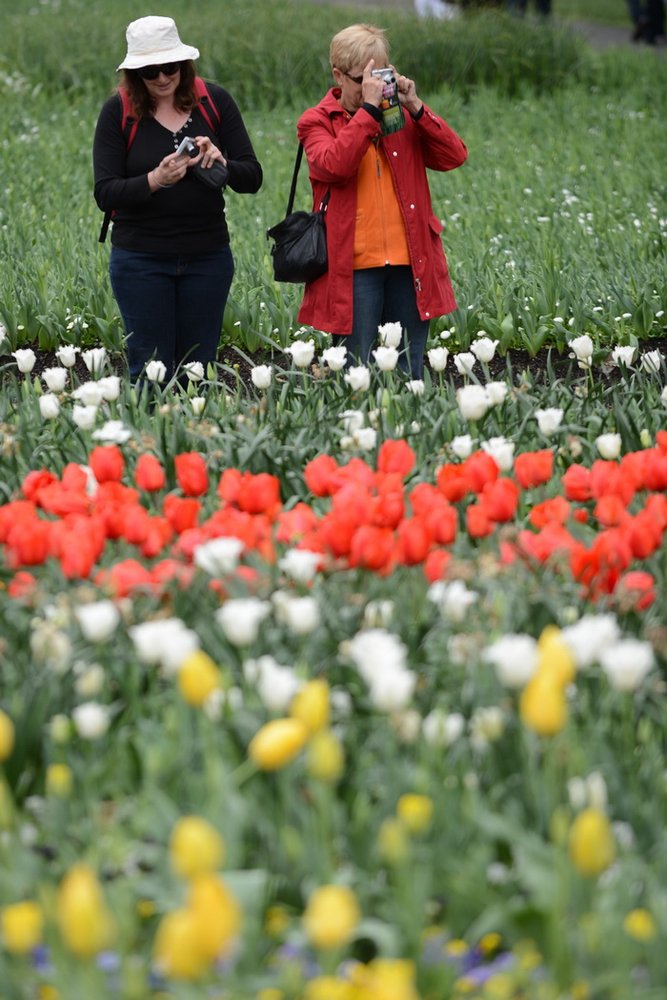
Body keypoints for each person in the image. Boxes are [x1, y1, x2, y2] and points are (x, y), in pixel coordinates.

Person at [93, 15, 262, 383]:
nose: (162, 78)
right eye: (150, 71)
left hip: (207, 258)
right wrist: (155, 179)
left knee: (198, 372)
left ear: (184, 64)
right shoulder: (118, 112)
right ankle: (150, 440)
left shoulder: (213, 101)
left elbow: (253, 178)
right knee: (150, 374)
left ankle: (195, 440)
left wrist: (222, 162)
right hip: (141, 260)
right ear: (135, 74)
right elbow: (105, 192)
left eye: (170, 67)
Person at [296, 24, 467, 378]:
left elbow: (454, 156)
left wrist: (416, 107)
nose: (374, 87)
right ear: (338, 75)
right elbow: (334, 165)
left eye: (381, 76)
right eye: (362, 80)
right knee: (354, 372)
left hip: (410, 262)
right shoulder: (317, 121)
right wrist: (369, 114)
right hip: (354, 267)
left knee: (408, 370)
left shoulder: (401, 118)